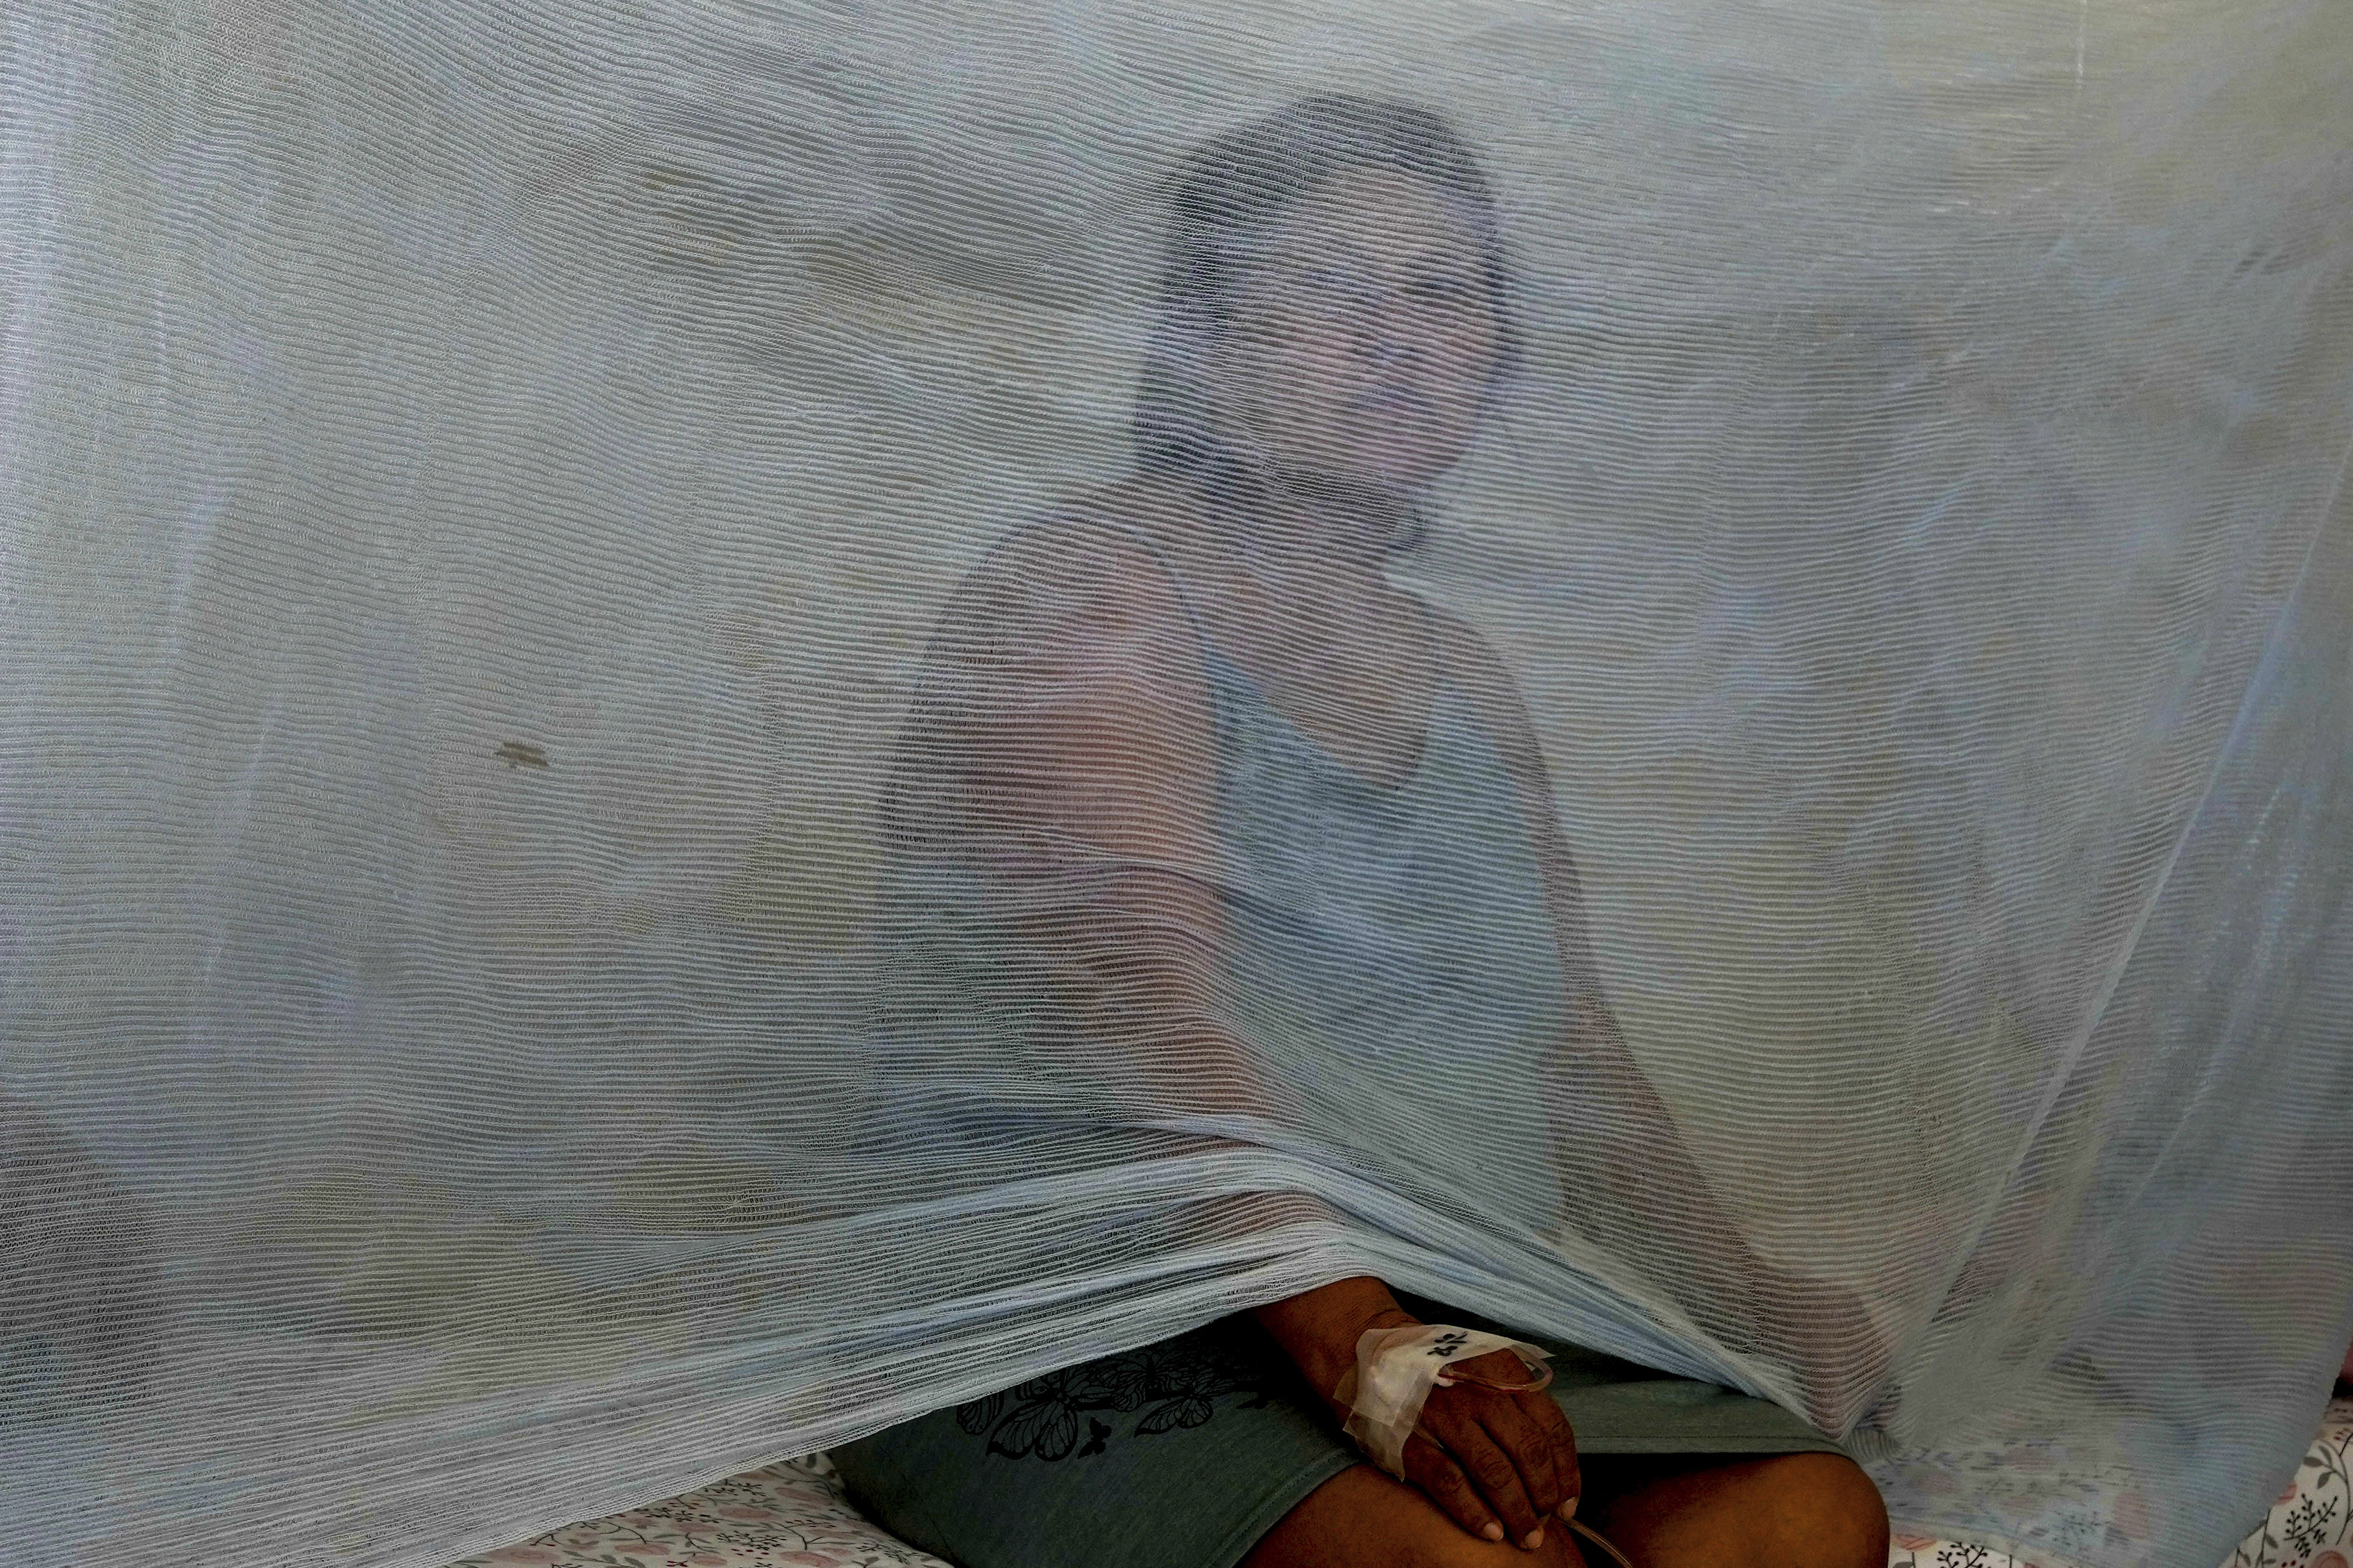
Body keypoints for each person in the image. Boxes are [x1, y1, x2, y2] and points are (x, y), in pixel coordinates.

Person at [832, 95, 1891, 1568]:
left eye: (1440, 291)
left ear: (1493, 353)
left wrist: (1751, 1297)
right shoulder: (1089, 600)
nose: (1392, 335)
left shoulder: (1463, 675)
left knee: (1803, 1513)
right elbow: (1152, 1025)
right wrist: (1370, 1358)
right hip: (1098, 1323)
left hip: (1432, 1299)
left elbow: (1567, 1049)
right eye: (1326, 285)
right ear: (1205, 337)